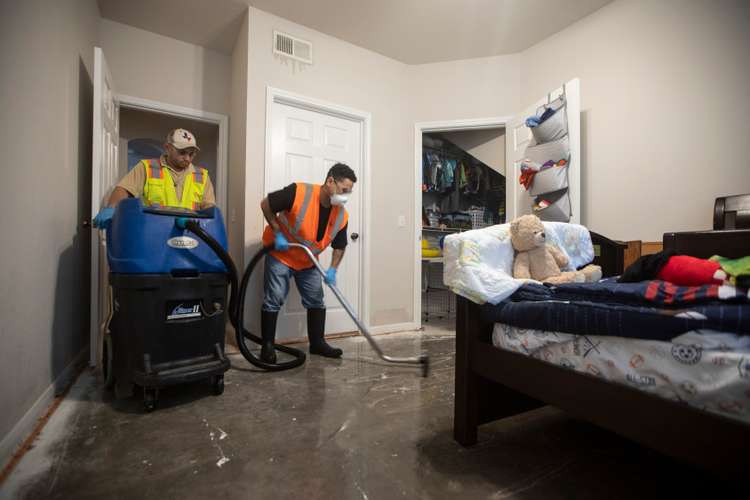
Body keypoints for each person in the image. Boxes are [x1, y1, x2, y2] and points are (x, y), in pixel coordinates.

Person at [259, 163, 356, 363]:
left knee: (316, 300)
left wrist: (333, 270)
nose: (345, 196)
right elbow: (266, 204)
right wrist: (277, 233)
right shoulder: (299, 192)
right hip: (281, 254)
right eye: (344, 190)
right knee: (274, 298)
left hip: (308, 260)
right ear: (330, 181)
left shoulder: (341, 214)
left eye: (349, 192)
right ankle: (267, 346)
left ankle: (317, 343)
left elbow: (340, 245)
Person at [93, 128, 216, 227]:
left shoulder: (202, 176)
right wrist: (111, 208)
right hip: (154, 232)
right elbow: (124, 189)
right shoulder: (147, 167)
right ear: (168, 148)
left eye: (191, 154)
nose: (187, 158)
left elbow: (209, 209)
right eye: (182, 152)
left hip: (190, 235)